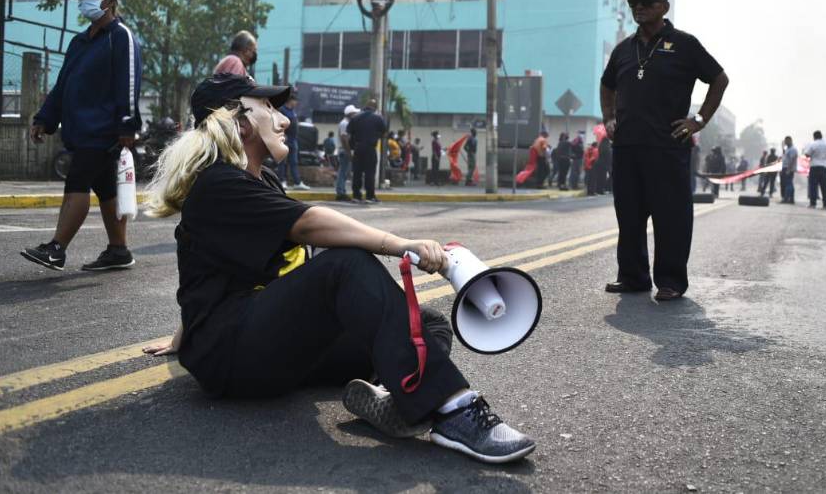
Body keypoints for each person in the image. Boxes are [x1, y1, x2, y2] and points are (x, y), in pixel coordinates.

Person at [139, 74, 535, 464]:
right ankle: (453, 409)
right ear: (238, 121)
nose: (285, 120)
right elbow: (310, 223)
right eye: (269, 108)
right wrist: (400, 245)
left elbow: (207, 268)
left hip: (274, 348)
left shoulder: (261, 181)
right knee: (344, 265)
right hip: (231, 357)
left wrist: (182, 332)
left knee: (425, 325)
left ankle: (397, 400)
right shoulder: (218, 185)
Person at [600, 0, 729, 301]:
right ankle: (632, 277)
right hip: (627, 147)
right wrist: (608, 117)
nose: (638, 7)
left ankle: (670, 281)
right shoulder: (623, 50)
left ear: (663, 7)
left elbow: (719, 79)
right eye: (634, 2)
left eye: (646, 2)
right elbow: (607, 85)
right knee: (628, 215)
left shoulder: (684, 44)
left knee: (671, 216)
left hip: (667, 147)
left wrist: (698, 120)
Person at [22, 0, 142, 272]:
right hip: (82, 130)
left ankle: (56, 249)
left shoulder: (121, 36)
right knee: (106, 190)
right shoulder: (79, 42)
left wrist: (128, 125)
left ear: (109, 3)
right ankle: (118, 250)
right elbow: (63, 85)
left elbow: (128, 83)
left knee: (77, 183)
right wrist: (44, 118)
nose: (84, 2)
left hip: (103, 130)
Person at [348, 100, 386, 203]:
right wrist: (375, 137)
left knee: (357, 173)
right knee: (370, 173)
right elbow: (384, 131)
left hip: (358, 148)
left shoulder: (355, 118)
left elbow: (350, 134)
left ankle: (356, 195)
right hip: (370, 148)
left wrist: (352, 148)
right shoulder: (378, 118)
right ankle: (370, 196)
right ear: (375, 108)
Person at [276, 92, 310, 190]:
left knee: (294, 162)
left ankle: (297, 182)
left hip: (293, 140)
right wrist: (282, 134)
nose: (296, 103)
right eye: (295, 101)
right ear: (290, 101)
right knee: (282, 162)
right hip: (285, 140)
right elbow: (278, 123)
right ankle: (282, 181)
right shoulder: (282, 110)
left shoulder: (293, 111)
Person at [335, 105, 359, 202]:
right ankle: (341, 193)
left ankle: (342, 191)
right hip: (344, 151)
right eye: (355, 113)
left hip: (344, 150)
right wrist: (349, 152)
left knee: (344, 173)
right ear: (350, 114)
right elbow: (344, 139)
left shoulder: (346, 123)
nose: (356, 115)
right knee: (343, 172)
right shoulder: (345, 124)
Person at [803, 130, 826, 209]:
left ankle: (813, 204)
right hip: (824, 168)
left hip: (815, 167)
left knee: (813, 186)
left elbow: (807, 154)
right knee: (825, 187)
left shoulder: (813, 144)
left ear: (814, 136)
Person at [780, 136, 798, 204]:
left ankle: (786, 199)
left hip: (788, 168)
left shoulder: (793, 149)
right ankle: (791, 199)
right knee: (789, 184)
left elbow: (792, 160)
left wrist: (789, 169)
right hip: (785, 167)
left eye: (786, 141)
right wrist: (782, 147)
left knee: (788, 184)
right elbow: (785, 156)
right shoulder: (788, 149)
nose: (785, 143)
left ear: (790, 141)